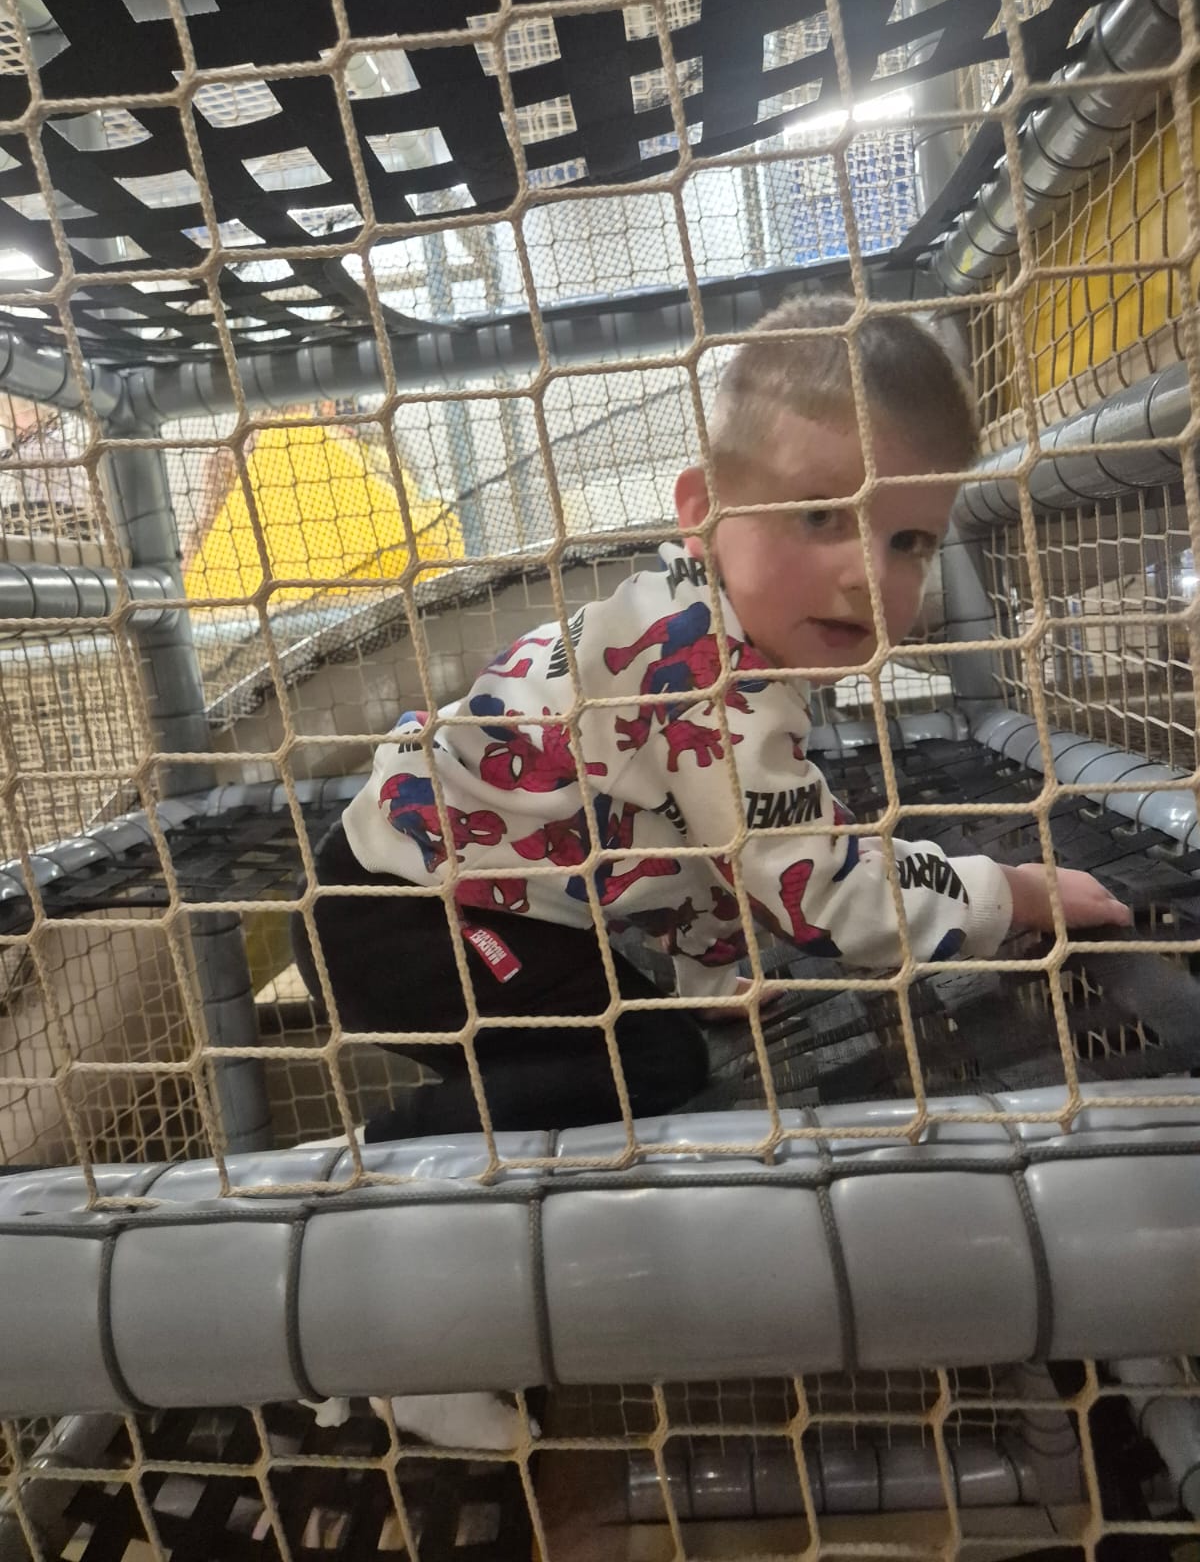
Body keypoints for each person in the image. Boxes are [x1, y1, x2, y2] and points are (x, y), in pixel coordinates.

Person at [291, 294, 1130, 1140]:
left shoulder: (699, 617)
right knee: (651, 1061)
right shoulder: (711, 679)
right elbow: (820, 892)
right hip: (403, 917)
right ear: (704, 513)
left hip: (428, 889)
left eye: (908, 541)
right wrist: (1011, 894)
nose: (869, 576)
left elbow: (693, 847)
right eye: (820, 515)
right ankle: (380, 1151)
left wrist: (710, 978)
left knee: (644, 1025)